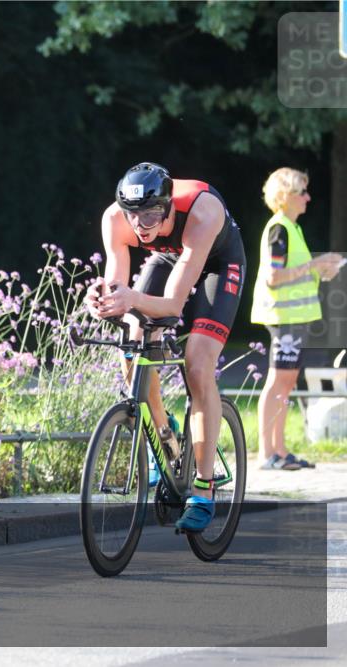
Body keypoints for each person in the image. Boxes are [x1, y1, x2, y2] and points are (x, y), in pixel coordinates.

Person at [85, 162, 246, 533]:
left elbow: (173, 305)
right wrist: (101, 300)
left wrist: (130, 299)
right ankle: (166, 436)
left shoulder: (202, 212)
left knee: (198, 363)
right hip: (169, 258)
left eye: (153, 213)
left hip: (218, 265)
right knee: (132, 344)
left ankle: (203, 489)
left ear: (169, 205)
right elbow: (117, 284)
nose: (141, 224)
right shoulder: (115, 219)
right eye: (134, 215)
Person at [250, 168, 343, 471]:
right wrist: (316, 263)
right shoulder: (280, 229)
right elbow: (275, 277)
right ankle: (268, 454)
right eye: (302, 191)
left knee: (286, 383)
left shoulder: (292, 228)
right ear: (286, 196)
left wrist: (323, 268)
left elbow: (294, 272)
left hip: (293, 318)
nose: (308, 197)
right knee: (278, 382)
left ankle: (280, 450)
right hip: (283, 317)